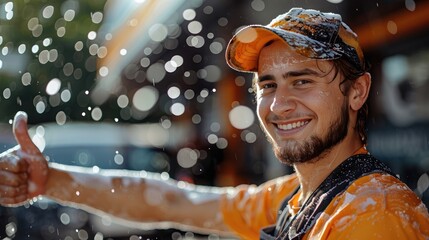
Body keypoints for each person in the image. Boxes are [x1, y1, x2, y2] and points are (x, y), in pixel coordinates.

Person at [1, 7, 429, 240]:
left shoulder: (375, 216)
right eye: (267, 85)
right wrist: (50, 180)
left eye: (303, 80)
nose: (279, 105)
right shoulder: (301, 196)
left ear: (357, 92)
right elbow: (170, 203)